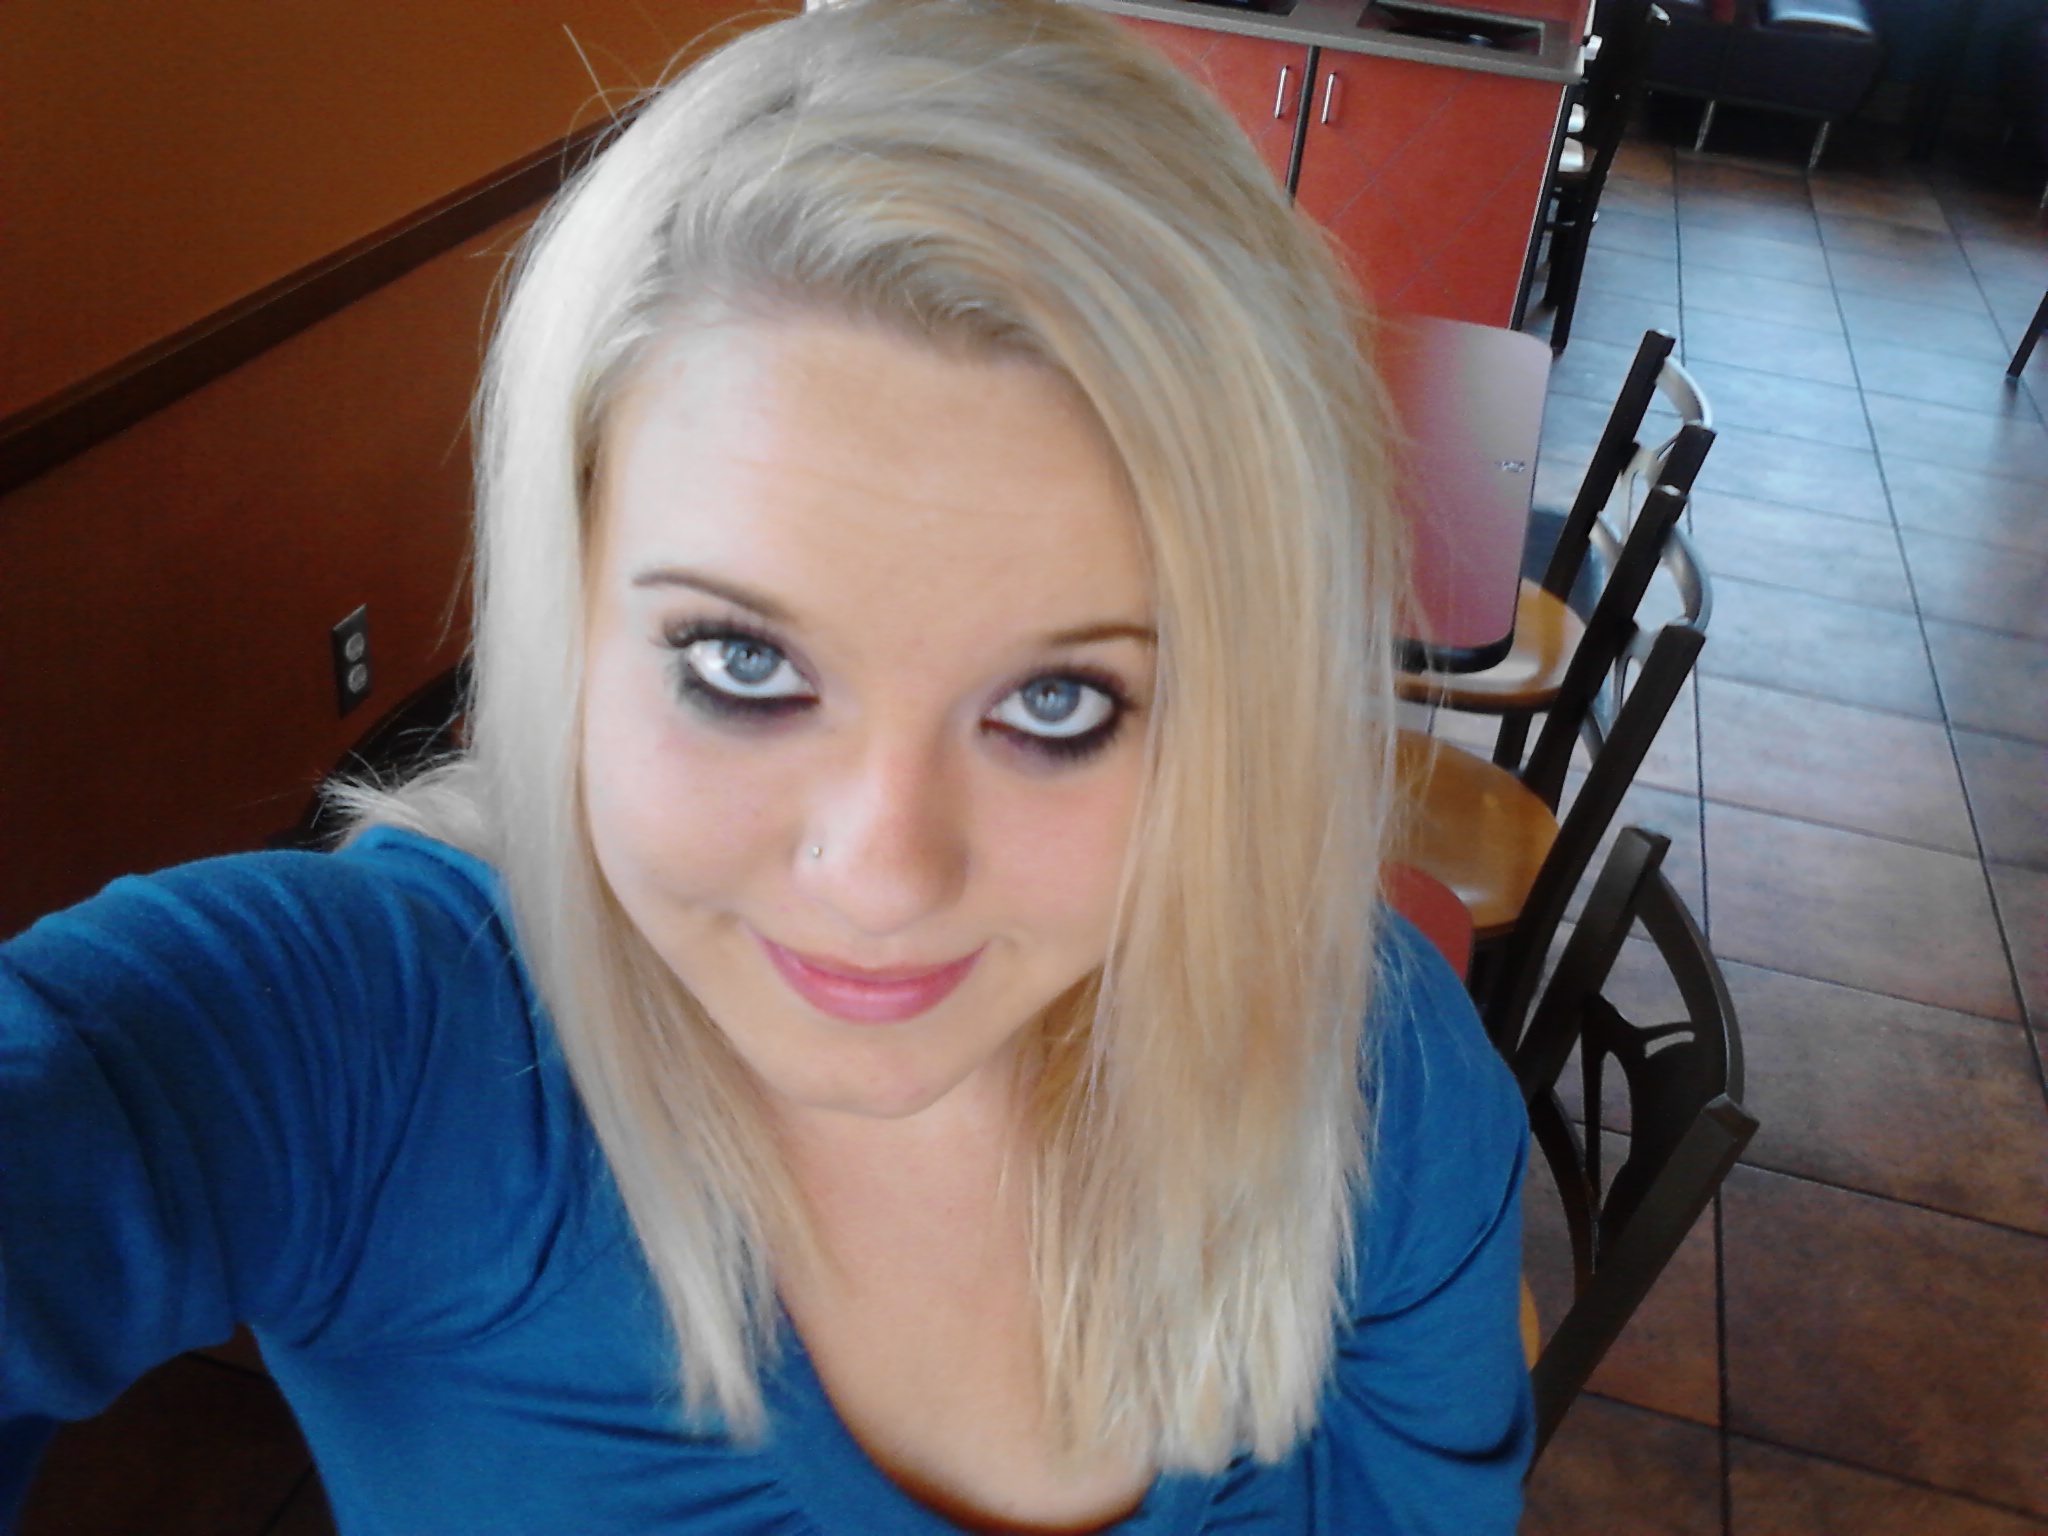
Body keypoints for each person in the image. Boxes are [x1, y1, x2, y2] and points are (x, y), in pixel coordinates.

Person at [0, 0, 1532, 1529]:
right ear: (571, 619)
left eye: (1060, 701)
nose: (880, 877)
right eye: (744, 664)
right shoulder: (377, 1046)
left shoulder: (1366, 1075)